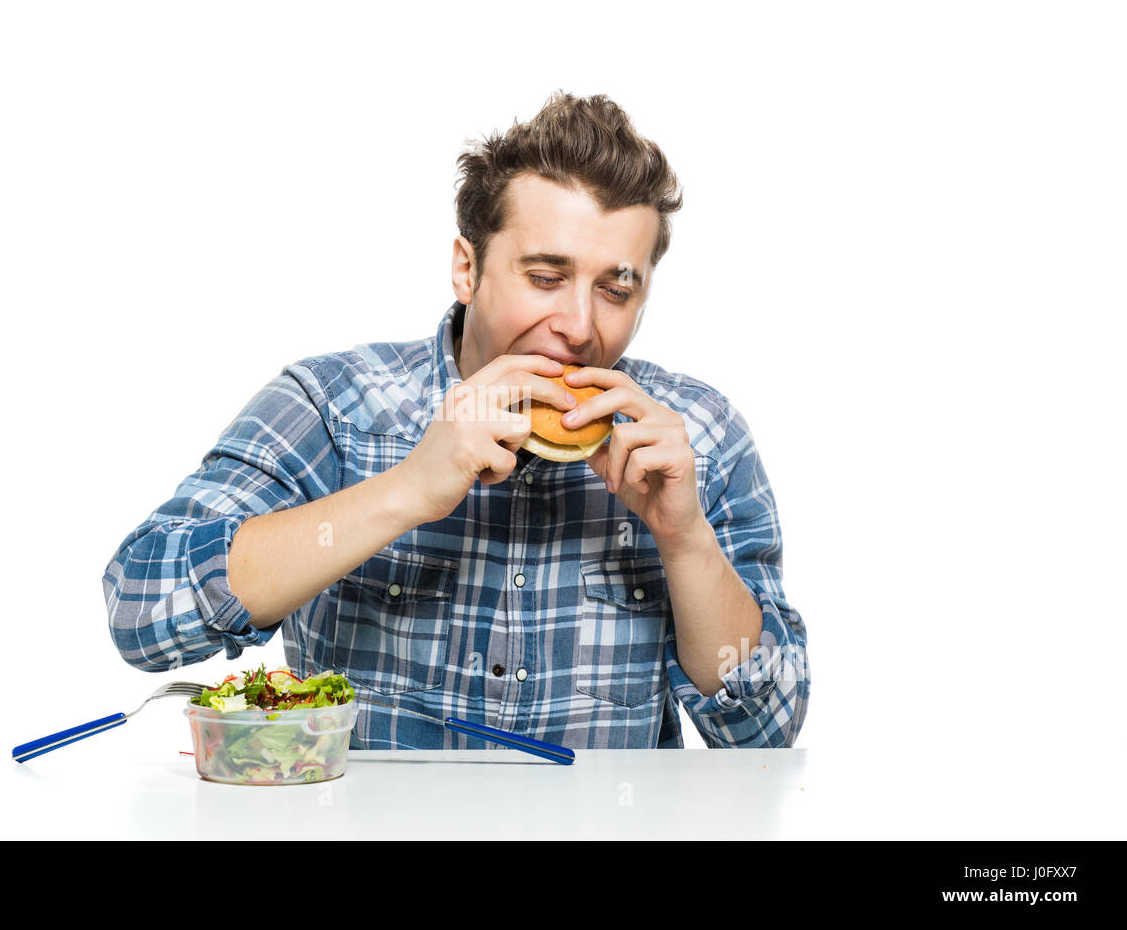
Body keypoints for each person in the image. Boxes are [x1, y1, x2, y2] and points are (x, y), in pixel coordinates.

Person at [102, 91, 809, 749]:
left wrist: (685, 542)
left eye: (614, 289)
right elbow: (142, 609)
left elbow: (767, 729)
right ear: (467, 270)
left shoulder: (698, 436)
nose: (578, 325)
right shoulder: (334, 404)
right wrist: (405, 490)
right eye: (545, 277)